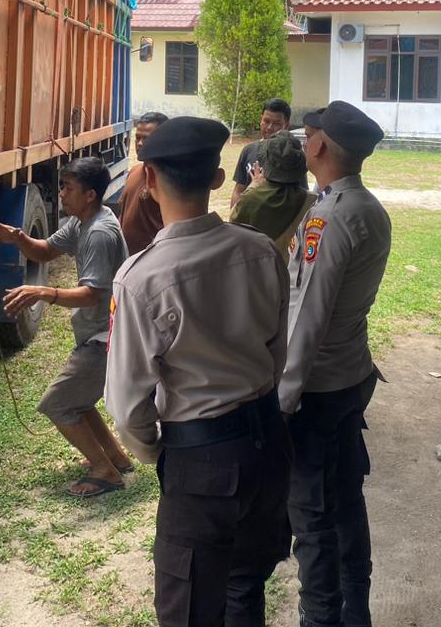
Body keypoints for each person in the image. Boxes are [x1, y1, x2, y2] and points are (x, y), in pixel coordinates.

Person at [106, 116, 292, 627]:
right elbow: (277, 353)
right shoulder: (259, 250)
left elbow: (125, 404)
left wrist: (161, 453)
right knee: (245, 587)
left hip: (201, 461)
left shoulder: (141, 279)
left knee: (189, 609)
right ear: (217, 177)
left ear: (148, 178)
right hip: (267, 445)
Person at [282, 101, 390, 627]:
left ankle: (322, 616)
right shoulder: (368, 207)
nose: (305, 144)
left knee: (312, 514)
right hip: (351, 375)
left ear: (320, 145)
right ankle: (355, 611)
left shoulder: (330, 216)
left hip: (319, 388)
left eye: (309, 136)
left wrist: (283, 399)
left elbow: (307, 315)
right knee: (345, 498)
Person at [0, 156, 132, 499]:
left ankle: (105, 472)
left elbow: (91, 295)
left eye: (68, 188)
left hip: (107, 336)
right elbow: (45, 251)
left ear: (90, 194)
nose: (61, 193)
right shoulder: (83, 221)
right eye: (62, 186)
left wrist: (44, 292)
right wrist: (18, 237)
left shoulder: (99, 233)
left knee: (58, 403)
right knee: (77, 400)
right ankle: (116, 458)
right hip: (99, 332)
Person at [230, 131, 316, 253]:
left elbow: (233, 223)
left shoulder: (250, 200)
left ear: (266, 164)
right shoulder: (313, 201)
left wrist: (253, 186)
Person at [231, 98, 304, 208]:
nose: (269, 127)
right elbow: (238, 190)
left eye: (277, 124)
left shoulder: (293, 156)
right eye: (266, 121)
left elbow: (302, 194)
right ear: (261, 119)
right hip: (248, 214)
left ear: (286, 125)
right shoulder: (248, 150)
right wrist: (233, 214)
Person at [120, 111, 167, 254]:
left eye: (146, 139)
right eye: (138, 138)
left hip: (151, 260)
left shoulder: (168, 181)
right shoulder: (134, 172)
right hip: (126, 260)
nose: (140, 143)